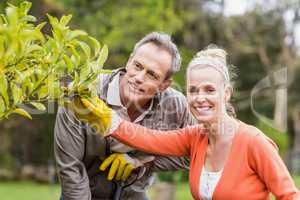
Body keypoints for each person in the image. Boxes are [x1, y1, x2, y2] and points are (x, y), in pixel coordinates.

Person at [76, 46, 300, 199]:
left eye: (209, 90)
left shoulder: (254, 142)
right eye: (193, 90)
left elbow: (290, 195)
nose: (200, 98)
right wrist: (108, 120)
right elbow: (149, 138)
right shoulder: (194, 137)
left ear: (227, 93)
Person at [54, 32, 195, 200]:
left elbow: (194, 153)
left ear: (164, 85)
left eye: (152, 74)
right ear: (129, 61)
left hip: (135, 195)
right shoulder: (83, 94)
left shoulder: (175, 105)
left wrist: (141, 162)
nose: (139, 78)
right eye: (137, 66)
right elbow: (71, 169)